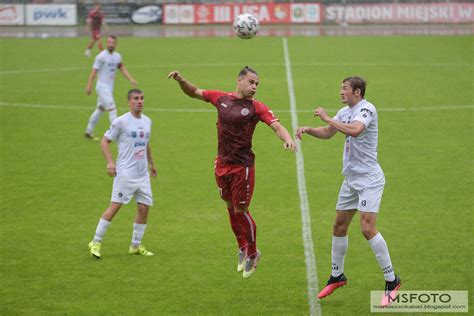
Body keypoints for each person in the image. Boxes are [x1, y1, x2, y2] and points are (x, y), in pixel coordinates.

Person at [168, 66, 296, 279]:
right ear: (239, 81)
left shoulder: (256, 107)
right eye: (251, 82)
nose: (254, 87)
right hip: (222, 164)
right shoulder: (221, 99)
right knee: (229, 207)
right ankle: (242, 247)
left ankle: (254, 253)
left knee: (241, 210)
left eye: (257, 84)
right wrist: (180, 80)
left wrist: (288, 139)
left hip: (242, 167)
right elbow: (194, 92)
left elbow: (276, 126)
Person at [296, 76, 401, 306]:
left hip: (369, 180)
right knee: (339, 225)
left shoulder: (367, 109)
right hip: (351, 179)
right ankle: (337, 275)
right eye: (341, 88)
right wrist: (309, 129)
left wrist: (327, 118)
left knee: (366, 228)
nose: (341, 92)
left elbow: (354, 130)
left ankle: (392, 280)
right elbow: (327, 131)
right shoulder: (345, 111)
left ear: (358, 91)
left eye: (345, 89)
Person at [88, 89, 157, 259]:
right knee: (115, 206)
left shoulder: (147, 121)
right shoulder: (121, 122)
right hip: (125, 173)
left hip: (142, 175)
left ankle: (135, 245)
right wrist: (110, 162)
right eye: (135, 99)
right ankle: (95, 241)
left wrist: (151, 164)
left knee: (144, 208)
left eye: (141, 98)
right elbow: (104, 141)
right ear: (128, 102)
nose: (139, 101)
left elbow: (146, 143)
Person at [84, 35, 137, 140]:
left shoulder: (117, 56)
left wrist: (131, 79)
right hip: (102, 87)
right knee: (112, 109)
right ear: (106, 43)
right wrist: (89, 85)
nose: (111, 44)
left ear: (116, 44)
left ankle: (88, 131)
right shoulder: (101, 57)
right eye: (109, 43)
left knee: (100, 109)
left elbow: (121, 68)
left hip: (109, 88)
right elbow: (94, 72)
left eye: (113, 43)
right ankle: (117, 135)